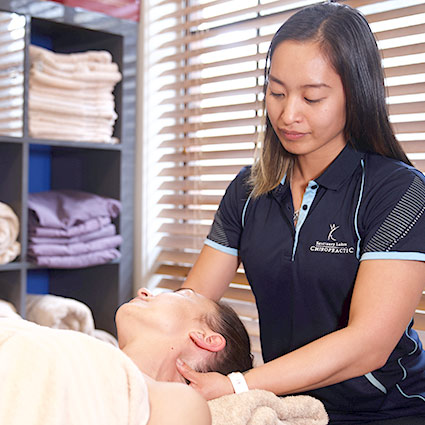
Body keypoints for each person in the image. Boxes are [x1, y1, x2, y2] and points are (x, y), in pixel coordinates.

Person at [175, 2, 425, 424]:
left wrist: (240, 384)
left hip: (384, 410)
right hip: (284, 406)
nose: (288, 114)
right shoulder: (248, 189)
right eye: (276, 93)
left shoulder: (399, 191)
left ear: (356, 94)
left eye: (312, 97)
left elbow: (369, 343)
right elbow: (195, 303)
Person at [0, 288, 253, 425]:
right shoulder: (82, 347)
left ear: (206, 338)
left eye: (182, 293)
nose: (144, 291)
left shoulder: (175, 400)